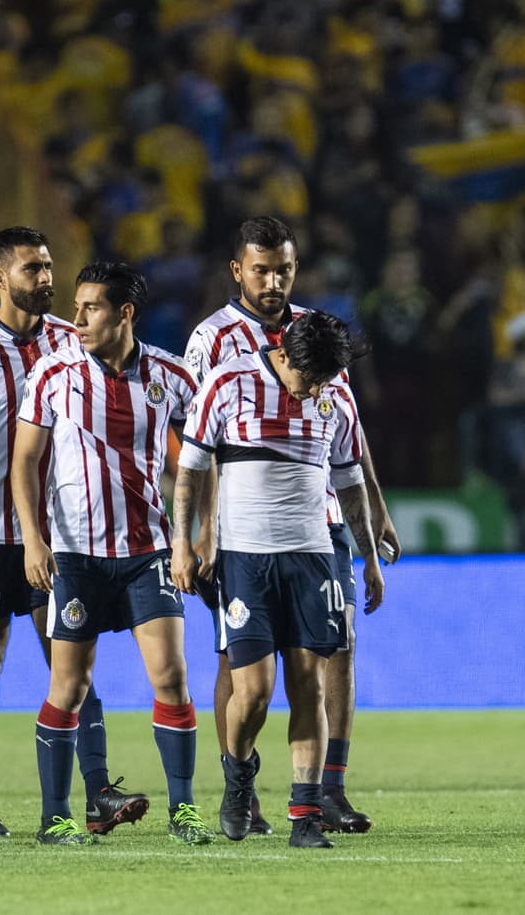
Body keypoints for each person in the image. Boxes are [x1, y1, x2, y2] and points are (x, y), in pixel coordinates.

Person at [182, 216, 399, 833]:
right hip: (242, 526)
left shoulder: (317, 334)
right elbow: (199, 444)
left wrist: (374, 510)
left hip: (321, 519)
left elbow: (345, 432)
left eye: (284, 269)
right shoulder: (213, 342)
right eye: (261, 270)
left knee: (338, 648)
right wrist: (204, 530)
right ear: (238, 271)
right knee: (242, 666)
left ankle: (326, 789)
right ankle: (242, 788)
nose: (274, 281)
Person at [0, 226, 144, 838]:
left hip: (63, 538)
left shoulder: (71, 340)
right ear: (0, 278)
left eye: (49, 266)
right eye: (33, 269)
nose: (47, 279)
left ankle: (97, 790)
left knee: (71, 668)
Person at [12, 261, 213, 847]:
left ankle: (184, 811)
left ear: (125, 313)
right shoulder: (53, 373)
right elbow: (25, 460)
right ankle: (55, 817)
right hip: (74, 555)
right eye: (75, 307)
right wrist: (33, 538)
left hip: (149, 552)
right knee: (68, 688)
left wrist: (197, 533)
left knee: (171, 677)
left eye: (91, 308)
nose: (76, 318)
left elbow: (202, 459)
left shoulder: (172, 376)